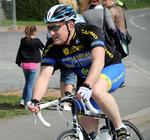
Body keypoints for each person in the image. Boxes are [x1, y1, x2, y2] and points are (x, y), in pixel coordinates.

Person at [27, 4, 131, 140]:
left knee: (97, 90)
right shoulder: (52, 46)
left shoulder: (89, 32)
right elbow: (44, 76)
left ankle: (120, 128)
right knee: (87, 129)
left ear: (70, 25)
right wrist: (35, 100)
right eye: (49, 28)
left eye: (55, 27)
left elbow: (98, 61)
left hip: (111, 68)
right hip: (86, 81)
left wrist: (88, 85)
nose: (51, 33)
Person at [46, 0, 85, 111]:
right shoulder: (79, 17)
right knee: (70, 77)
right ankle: (67, 102)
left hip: (59, 53)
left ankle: (64, 100)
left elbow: (48, 36)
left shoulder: (55, 19)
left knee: (63, 77)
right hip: (72, 54)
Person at [15, 24, 44, 108]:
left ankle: (22, 100)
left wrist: (18, 62)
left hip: (24, 65)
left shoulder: (22, 40)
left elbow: (19, 51)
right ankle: (28, 103)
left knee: (27, 82)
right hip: (33, 65)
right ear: (34, 32)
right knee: (30, 84)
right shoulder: (36, 41)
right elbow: (44, 48)